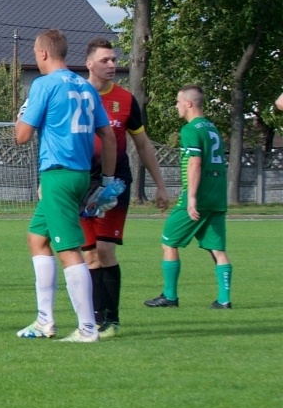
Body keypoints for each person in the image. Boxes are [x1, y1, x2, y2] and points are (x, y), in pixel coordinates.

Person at [12, 29, 116, 342]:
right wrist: (108, 181)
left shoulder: (43, 85)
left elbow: (21, 136)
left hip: (58, 173)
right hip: (81, 173)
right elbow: (108, 136)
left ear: (43, 54)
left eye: (35, 53)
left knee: (69, 250)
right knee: (36, 238)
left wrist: (21, 114)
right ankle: (44, 320)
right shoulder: (86, 86)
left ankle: (87, 328)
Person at [81, 39, 170, 336]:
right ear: (89, 64)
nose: (112, 65)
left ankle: (112, 320)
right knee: (89, 255)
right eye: (105, 60)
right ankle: (93, 320)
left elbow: (142, 144)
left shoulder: (126, 100)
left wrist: (160, 185)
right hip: (81, 183)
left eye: (114, 59)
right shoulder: (75, 96)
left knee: (105, 251)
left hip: (114, 184)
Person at [145, 85, 233, 310]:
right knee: (217, 249)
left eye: (178, 102)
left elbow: (194, 162)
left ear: (189, 104)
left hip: (198, 196)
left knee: (168, 241)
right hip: (217, 196)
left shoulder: (191, 130)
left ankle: (170, 296)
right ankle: (224, 300)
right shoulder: (212, 128)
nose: (176, 106)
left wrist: (191, 198)